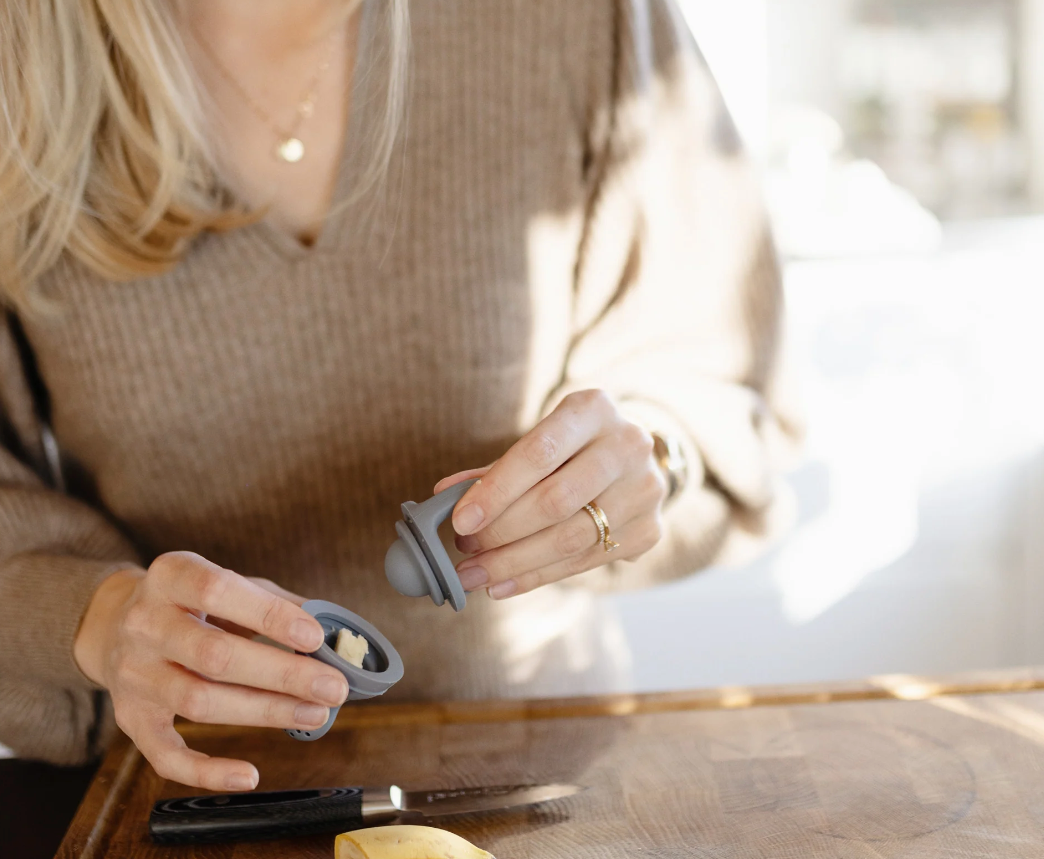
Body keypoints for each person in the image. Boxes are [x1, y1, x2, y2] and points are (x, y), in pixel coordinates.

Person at [0, 0, 797, 793]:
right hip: (183, 810)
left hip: (533, 787)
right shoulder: (20, 66)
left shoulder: (581, 20)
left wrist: (645, 458)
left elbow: (716, 386)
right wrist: (98, 618)